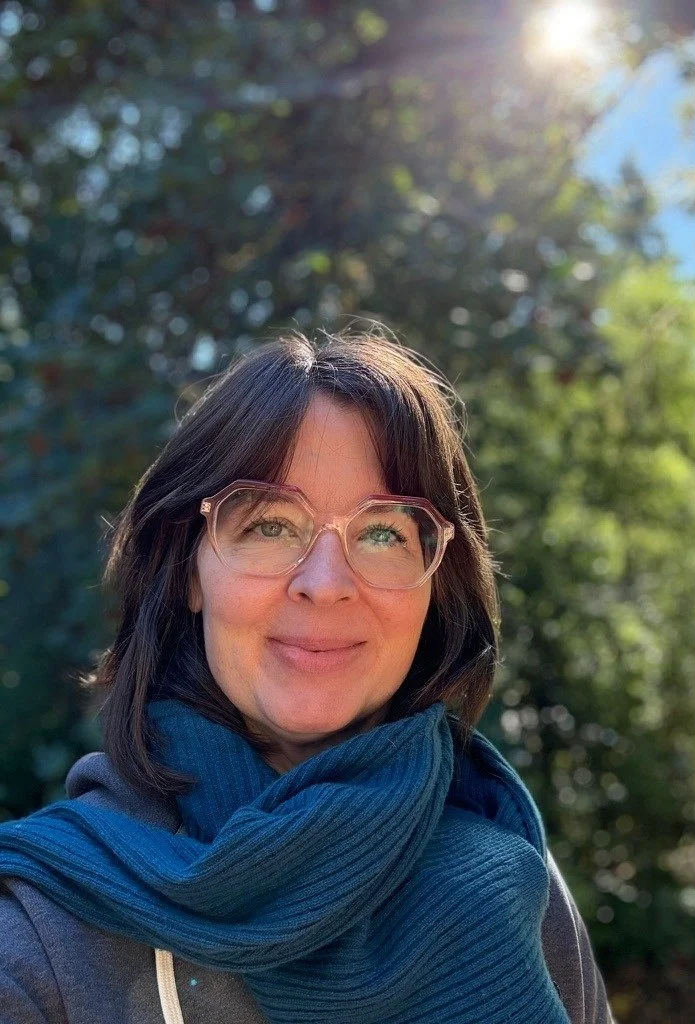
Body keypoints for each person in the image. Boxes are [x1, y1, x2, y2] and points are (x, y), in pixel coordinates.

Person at [0, 329, 615, 1024]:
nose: (325, 584)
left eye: (384, 532)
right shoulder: (39, 938)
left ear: (435, 586)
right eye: (269, 526)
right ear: (189, 571)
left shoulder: (516, 886)